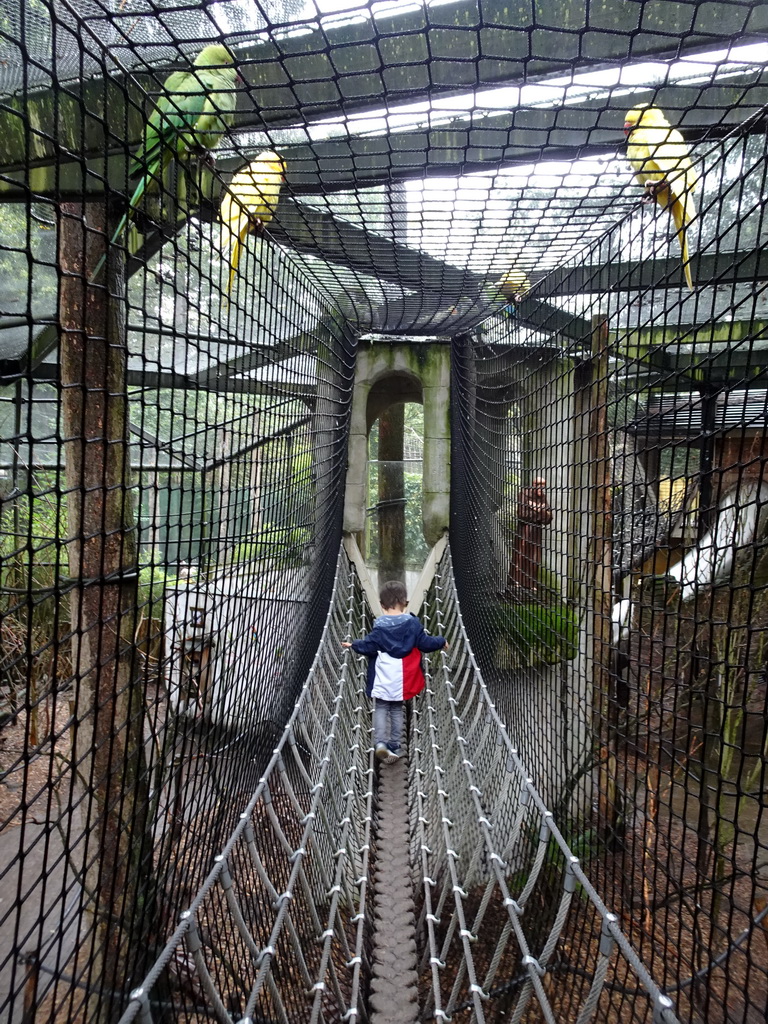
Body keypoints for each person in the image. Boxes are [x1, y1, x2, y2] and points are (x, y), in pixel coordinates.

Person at [342, 580, 447, 765]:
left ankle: (380, 743)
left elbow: (368, 646)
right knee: (397, 710)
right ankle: (395, 745)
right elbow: (426, 643)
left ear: (382, 606)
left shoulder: (379, 628)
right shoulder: (413, 625)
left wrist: (354, 644)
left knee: (381, 708)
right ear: (405, 603)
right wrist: (441, 641)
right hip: (402, 679)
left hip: (383, 677)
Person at [506, 476, 552, 596]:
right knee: (521, 554)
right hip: (524, 530)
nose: (541, 489)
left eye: (543, 486)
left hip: (536, 531)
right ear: (533, 484)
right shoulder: (524, 495)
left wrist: (536, 509)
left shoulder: (542, 497)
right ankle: (516, 581)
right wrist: (540, 512)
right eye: (538, 485)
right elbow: (522, 514)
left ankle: (531, 583)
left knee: (534, 557)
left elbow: (549, 518)